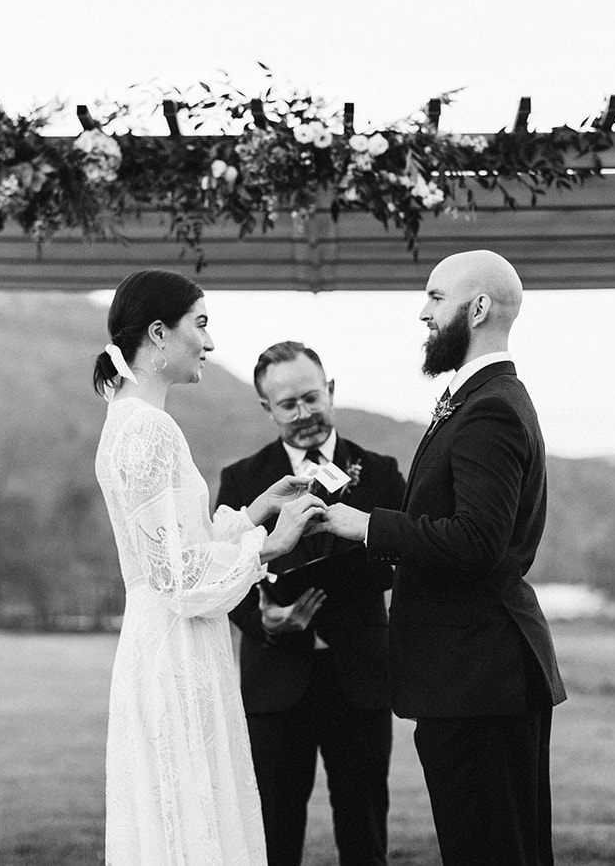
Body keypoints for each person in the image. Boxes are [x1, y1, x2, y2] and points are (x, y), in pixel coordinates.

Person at [315, 250, 566, 866]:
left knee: (491, 852)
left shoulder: (491, 408)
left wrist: (367, 524)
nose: (421, 313)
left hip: (480, 678)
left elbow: (477, 541)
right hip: (472, 676)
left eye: (434, 298)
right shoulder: (478, 398)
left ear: (477, 308)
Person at [92, 269, 325, 866]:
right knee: (188, 822)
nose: (211, 342)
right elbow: (179, 580)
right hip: (175, 648)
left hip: (164, 640)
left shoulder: (126, 418)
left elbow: (174, 548)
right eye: (200, 324)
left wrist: (252, 513)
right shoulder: (150, 429)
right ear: (158, 334)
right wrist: (271, 544)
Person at [220, 342, 406, 866]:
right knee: (274, 833)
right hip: (276, 681)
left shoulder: (383, 472)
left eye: (310, 398)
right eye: (287, 405)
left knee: (365, 829)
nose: (302, 414)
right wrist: (261, 619)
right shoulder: (242, 481)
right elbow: (221, 566)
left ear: (330, 390)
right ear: (266, 409)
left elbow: (408, 556)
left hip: (361, 677)